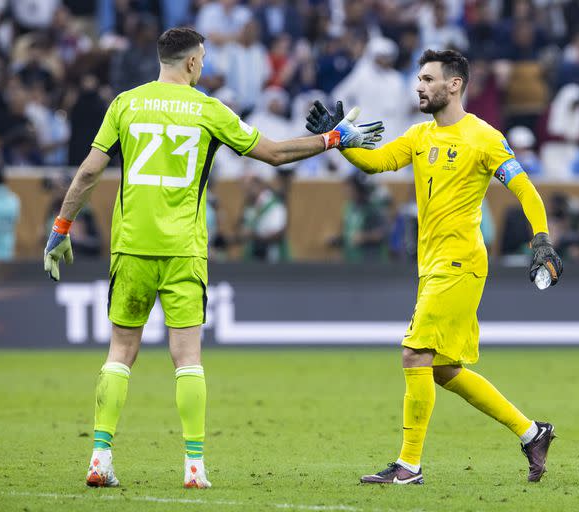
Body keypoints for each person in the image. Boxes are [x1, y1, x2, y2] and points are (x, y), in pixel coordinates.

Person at [42, 27, 383, 490]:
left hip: (131, 246)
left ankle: (100, 457)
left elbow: (87, 172)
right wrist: (335, 140)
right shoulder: (209, 109)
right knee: (188, 360)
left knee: (120, 353)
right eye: (202, 57)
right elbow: (276, 154)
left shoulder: (125, 103)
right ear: (190, 62)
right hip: (183, 249)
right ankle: (194, 467)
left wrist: (60, 228)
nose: (203, 64)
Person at [306, 49, 563, 485]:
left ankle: (408, 465)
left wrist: (540, 237)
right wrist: (338, 138)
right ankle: (531, 432)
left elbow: (526, 191)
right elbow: (377, 162)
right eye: (419, 79)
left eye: (428, 79)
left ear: (454, 84)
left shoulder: (483, 137)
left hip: (461, 262)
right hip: (432, 266)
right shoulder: (420, 135)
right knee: (442, 369)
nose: (419, 86)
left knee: (414, 353)